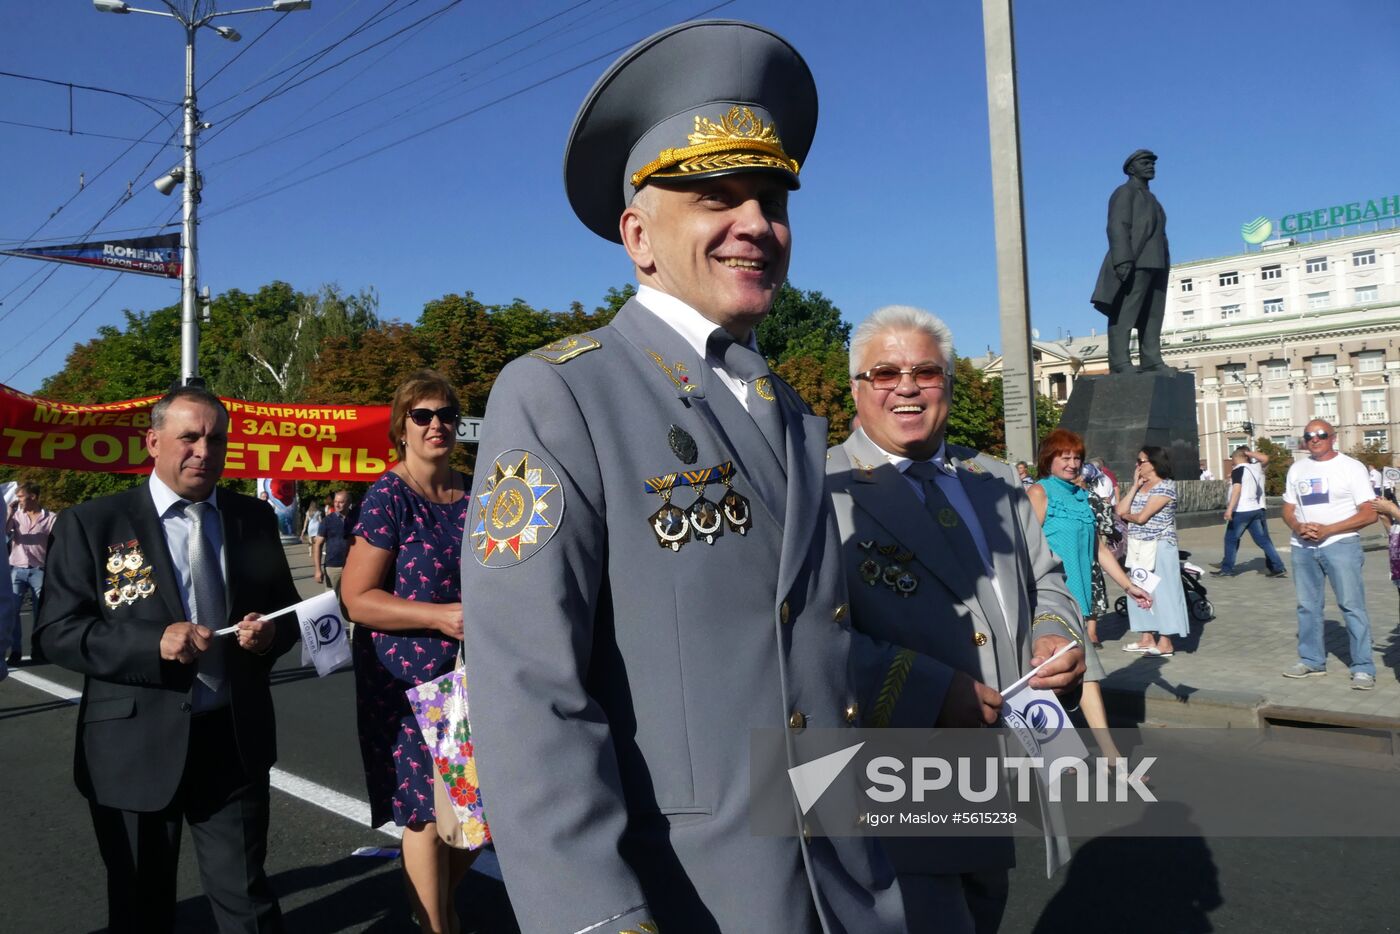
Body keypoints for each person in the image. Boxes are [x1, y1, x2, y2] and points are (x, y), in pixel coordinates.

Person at [458, 23, 950, 933]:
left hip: (843, 886)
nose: (757, 225)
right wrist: (595, 917)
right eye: (717, 197)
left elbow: (810, 642)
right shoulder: (563, 393)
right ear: (639, 235)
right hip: (690, 897)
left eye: (771, 200)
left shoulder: (792, 410)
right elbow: (529, 686)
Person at [826, 306, 1088, 933]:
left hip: (1002, 758)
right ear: (857, 389)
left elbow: (1045, 579)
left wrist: (1057, 629)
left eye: (926, 372)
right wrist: (926, 689)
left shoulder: (993, 479)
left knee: (983, 903)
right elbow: (800, 637)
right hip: (896, 771)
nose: (907, 386)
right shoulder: (819, 489)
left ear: (948, 382)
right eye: (885, 372)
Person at [34, 385, 301, 934]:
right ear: (153, 442)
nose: (204, 450)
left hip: (232, 740)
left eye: (216, 439)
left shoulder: (252, 518)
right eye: (189, 437)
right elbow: (57, 631)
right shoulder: (94, 524)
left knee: (247, 900)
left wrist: (269, 634)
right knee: (140, 906)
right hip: (133, 750)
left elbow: (288, 613)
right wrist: (148, 644)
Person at [341, 370, 475, 933]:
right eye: (423, 415)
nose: (436, 424)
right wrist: (438, 616)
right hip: (404, 680)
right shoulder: (388, 496)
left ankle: (436, 908)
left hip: (468, 676)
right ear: (402, 427)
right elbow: (357, 598)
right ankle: (436, 925)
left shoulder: (474, 491)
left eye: (446, 414)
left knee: (471, 814)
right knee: (423, 815)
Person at [1280, 420, 1377, 689]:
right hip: (1303, 546)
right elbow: (1288, 508)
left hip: (1341, 545)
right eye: (1309, 435)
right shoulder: (1298, 468)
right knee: (1307, 606)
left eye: (1321, 435)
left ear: (1333, 438)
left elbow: (1369, 513)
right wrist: (1298, 526)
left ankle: (1363, 667)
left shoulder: (1350, 467)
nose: (1315, 439)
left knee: (1351, 605)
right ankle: (1311, 660)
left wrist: (1329, 529)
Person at [1090, 149, 1172, 373]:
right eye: (1145, 162)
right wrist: (1123, 259)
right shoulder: (1124, 192)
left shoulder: (1152, 198)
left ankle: (1151, 359)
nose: (1150, 166)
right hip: (1135, 261)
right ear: (1131, 168)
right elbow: (1117, 225)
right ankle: (1119, 362)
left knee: (1153, 314)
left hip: (1157, 262)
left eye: (1152, 163)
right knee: (1125, 313)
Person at [1117, 446, 1191, 657]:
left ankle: (1166, 642)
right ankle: (1146, 637)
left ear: (1154, 463)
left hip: (1160, 545)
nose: (1137, 465)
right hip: (1138, 545)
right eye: (1137, 461)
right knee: (1139, 589)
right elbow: (1120, 511)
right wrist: (1133, 486)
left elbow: (1141, 517)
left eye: (1141, 461)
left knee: (1163, 592)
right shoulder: (1141, 486)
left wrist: (1129, 516)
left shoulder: (1165, 487)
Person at [1213, 445, 1286, 578]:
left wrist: (1229, 509)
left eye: (1233, 459)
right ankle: (1278, 567)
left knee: (1230, 539)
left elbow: (1237, 490)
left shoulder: (1238, 470)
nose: (1232, 462)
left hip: (1241, 510)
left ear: (1236, 458)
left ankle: (1227, 569)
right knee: (1263, 540)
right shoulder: (1253, 469)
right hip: (1255, 509)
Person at [6, 482, 56, 666]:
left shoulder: (50, 518)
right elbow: (3, 532)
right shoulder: (16, 515)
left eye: (20, 496)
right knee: (12, 612)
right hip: (16, 569)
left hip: (39, 570)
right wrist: (9, 513)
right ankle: (16, 650)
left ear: (33, 496)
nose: (18, 500)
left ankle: (38, 649)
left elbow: (57, 543)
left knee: (40, 612)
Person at [314, 489, 355, 599]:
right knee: (331, 600)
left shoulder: (357, 519)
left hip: (354, 566)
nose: (337, 504)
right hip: (333, 566)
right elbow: (318, 545)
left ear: (349, 503)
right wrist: (318, 570)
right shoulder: (327, 521)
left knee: (351, 599)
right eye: (335, 501)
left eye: (341, 502)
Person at [300, 498, 323, 564]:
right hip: (317, 527)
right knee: (316, 540)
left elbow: (306, 521)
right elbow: (320, 521)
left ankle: (310, 552)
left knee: (310, 540)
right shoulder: (318, 512)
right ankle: (316, 551)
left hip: (310, 527)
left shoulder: (308, 512)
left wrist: (304, 529)